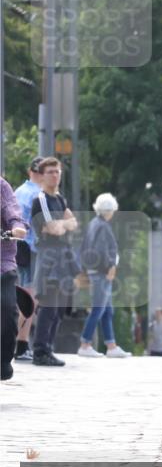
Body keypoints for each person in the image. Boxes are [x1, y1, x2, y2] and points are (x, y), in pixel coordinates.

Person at [30, 157, 80, 367]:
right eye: (50, 171)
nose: (55, 175)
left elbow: (74, 223)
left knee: (60, 308)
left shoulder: (60, 199)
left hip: (63, 257)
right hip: (49, 257)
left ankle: (48, 348)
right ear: (42, 176)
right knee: (48, 306)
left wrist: (64, 224)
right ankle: (40, 350)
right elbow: (53, 229)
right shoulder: (41, 199)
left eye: (57, 171)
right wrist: (63, 224)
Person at [77, 193, 130, 358]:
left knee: (107, 310)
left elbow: (86, 247)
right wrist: (110, 266)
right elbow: (102, 250)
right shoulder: (102, 226)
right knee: (99, 308)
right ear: (108, 210)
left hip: (96, 271)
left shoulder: (94, 224)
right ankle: (85, 344)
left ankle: (111, 345)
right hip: (102, 272)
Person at [13, 157, 45, 362]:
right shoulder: (38, 195)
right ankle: (22, 345)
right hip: (32, 249)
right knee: (31, 298)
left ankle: (16, 343)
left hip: (16, 249)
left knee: (20, 296)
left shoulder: (18, 191)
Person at [2, 177, 30, 380]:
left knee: (8, 311)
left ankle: (2, 361)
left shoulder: (1, 186)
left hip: (2, 264)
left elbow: (12, 210)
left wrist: (16, 226)